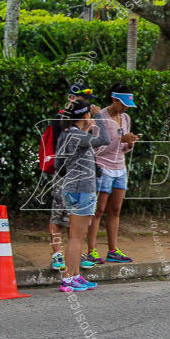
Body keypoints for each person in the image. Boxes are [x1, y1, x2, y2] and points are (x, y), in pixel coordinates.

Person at [55, 99, 110, 292]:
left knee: (76, 235)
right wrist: (99, 117)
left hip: (70, 188)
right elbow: (105, 139)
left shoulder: (66, 135)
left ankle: (75, 275)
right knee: (76, 237)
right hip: (83, 190)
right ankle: (69, 278)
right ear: (85, 115)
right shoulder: (77, 135)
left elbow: (58, 165)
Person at [86, 87, 139, 264]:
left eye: (128, 106)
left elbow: (122, 148)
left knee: (115, 210)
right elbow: (98, 146)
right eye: (123, 105)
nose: (125, 109)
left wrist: (129, 143)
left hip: (120, 168)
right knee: (99, 209)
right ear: (114, 100)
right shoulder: (99, 117)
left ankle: (112, 249)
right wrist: (120, 140)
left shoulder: (125, 118)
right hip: (103, 166)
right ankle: (91, 250)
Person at [49, 88, 96, 273]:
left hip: (73, 176)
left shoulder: (76, 127)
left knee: (76, 230)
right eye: (83, 101)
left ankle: (73, 263)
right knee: (59, 218)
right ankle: (58, 255)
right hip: (70, 177)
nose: (87, 106)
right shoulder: (61, 120)